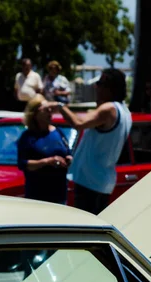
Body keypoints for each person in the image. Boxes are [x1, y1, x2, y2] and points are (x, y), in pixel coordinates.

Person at [39, 68, 131, 215]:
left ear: (110, 88)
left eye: (100, 83)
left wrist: (59, 106)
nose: (96, 87)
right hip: (103, 180)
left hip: (90, 182)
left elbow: (78, 122)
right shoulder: (125, 111)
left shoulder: (108, 109)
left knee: (83, 229)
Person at [16, 94, 72, 204]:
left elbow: (68, 153)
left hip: (59, 194)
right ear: (35, 114)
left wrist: (68, 159)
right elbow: (23, 164)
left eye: (51, 109)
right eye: (46, 109)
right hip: (37, 196)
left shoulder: (58, 132)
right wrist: (47, 162)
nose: (50, 111)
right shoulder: (28, 137)